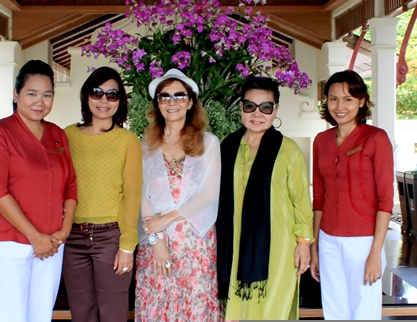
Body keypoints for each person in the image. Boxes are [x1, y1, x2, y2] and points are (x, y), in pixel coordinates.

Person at [0, 59, 77, 322]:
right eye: (31, 94)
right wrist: (35, 237)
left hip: (52, 243)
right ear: (16, 94)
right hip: (10, 243)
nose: (40, 101)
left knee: (40, 316)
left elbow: (70, 186)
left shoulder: (58, 134)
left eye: (47, 95)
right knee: (9, 316)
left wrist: (64, 232)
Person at [216, 76, 314, 320]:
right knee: (237, 311)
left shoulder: (288, 150)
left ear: (275, 110)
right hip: (234, 246)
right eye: (250, 106)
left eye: (266, 107)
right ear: (241, 107)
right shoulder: (226, 147)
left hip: (279, 248)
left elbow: (301, 202)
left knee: (272, 312)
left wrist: (304, 242)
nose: (257, 114)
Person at [135, 69, 222, 321]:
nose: (171, 102)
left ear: (190, 101)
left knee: (194, 307)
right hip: (155, 239)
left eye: (179, 96)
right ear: (157, 104)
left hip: (195, 241)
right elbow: (142, 196)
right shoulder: (145, 146)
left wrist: (169, 218)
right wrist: (157, 239)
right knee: (158, 304)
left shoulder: (208, 142)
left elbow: (209, 192)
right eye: (164, 97)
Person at [310, 70, 393, 320]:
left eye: (347, 99)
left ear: (361, 101)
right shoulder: (321, 140)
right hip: (328, 239)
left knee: (363, 311)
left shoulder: (376, 138)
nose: (339, 106)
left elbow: (385, 200)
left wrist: (375, 253)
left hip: (363, 239)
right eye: (333, 99)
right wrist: (314, 246)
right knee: (334, 309)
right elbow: (319, 197)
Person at [62, 66, 142, 322]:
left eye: (112, 94)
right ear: (87, 95)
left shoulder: (128, 140)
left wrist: (127, 246)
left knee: (113, 313)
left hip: (111, 237)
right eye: (97, 93)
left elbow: (132, 194)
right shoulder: (66, 136)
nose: (104, 100)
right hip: (72, 236)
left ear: (120, 100)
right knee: (81, 313)